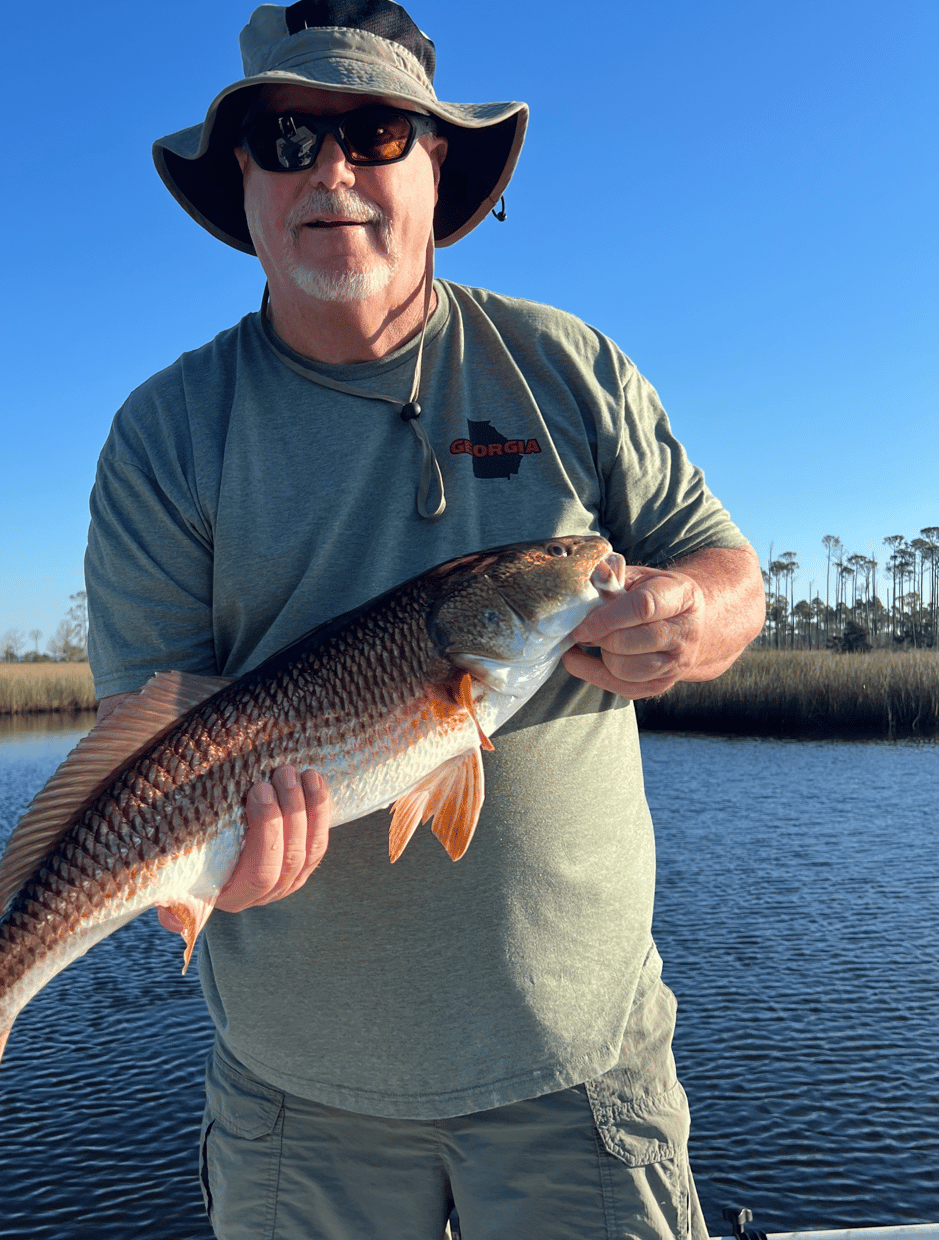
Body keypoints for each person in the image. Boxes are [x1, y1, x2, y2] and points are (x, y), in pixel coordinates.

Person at [83, 2, 765, 1237]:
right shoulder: (164, 434)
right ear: (241, 177)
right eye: (287, 137)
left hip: (581, 1068)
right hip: (298, 1095)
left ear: (435, 161)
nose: (332, 170)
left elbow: (724, 567)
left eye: (377, 130)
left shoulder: (569, 367)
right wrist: (205, 866)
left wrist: (691, 615)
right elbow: (143, 729)